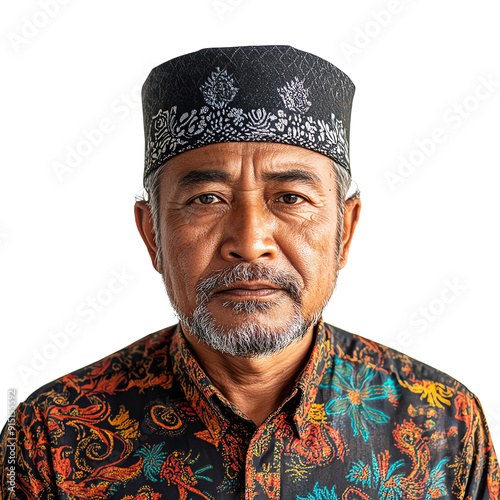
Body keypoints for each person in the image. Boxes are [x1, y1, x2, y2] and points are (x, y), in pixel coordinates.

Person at [1, 45, 498, 500]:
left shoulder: (443, 426)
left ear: (344, 230)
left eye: (291, 198)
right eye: (207, 199)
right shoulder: (52, 434)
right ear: (151, 233)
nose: (251, 242)